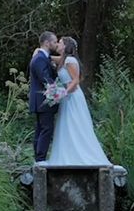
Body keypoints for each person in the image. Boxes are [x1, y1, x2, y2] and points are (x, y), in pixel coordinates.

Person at [47, 37, 127, 183]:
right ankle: (68, 154)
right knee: (66, 126)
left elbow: (75, 81)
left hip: (72, 97)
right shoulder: (64, 60)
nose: (57, 44)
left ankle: (81, 155)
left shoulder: (70, 61)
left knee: (75, 125)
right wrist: (40, 52)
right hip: (67, 97)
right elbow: (50, 57)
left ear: (66, 46)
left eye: (60, 42)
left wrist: (63, 93)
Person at [29, 31, 60, 165]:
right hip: (43, 100)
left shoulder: (43, 57)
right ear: (47, 43)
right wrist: (59, 93)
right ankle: (40, 159)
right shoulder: (40, 59)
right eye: (54, 41)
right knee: (46, 129)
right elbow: (46, 79)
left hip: (41, 100)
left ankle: (39, 158)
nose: (56, 44)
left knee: (41, 129)